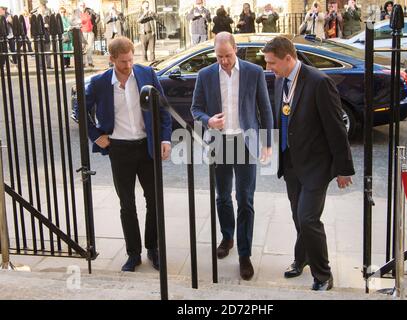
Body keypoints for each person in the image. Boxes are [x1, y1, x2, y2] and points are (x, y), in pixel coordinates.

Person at [262, 36, 354, 291]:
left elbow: (336, 129)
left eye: (271, 63)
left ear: (288, 58)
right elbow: (283, 118)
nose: (269, 68)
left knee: (309, 219)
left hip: (316, 166)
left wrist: (343, 169)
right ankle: (302, 258)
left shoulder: (319, 83)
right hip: (291, 164)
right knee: (297, 215)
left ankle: (323, 274)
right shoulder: (282, 79)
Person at [85, 36, 172, 272]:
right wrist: (95, 134)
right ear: (111, 59)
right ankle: (133, 253)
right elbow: (80, 111)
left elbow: (163, 107)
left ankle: (153, 249)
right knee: (127, 204)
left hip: (147, 147)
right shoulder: (100, 82)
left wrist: (165, 138)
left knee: (154, 201)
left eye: (131, 59)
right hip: (119, 149)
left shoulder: (146, 74)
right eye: (123, 61)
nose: (128, 65)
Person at [191, 32, 273, 281]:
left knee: (246, 199)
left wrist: (268, 143)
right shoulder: (205, 75)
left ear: (235, 50)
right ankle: (227, 237)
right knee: (222, 196)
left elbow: (265, 108)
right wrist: (208, 121)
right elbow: (195, 109)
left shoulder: (253, 71)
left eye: (227, 56)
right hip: (219, 142)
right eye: (219, 57)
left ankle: (245, 254)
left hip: (246, 142)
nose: (224, 61)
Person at [72, 1, 97, 67]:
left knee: (89, 48)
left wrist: (93, 24)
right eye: (81, 5)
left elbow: (97, 16)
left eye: (83, 5)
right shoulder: (75, 12)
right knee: (82, 47)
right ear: (78, 6)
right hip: (82, 31)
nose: (82, 6)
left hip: (90, 32)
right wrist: (78, 22)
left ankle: (90, 62)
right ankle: (82, 63)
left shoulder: (89, 10)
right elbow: (72, 21)